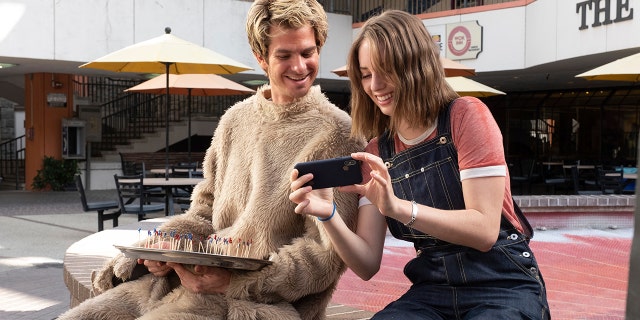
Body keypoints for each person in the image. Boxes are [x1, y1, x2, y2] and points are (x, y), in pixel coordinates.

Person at [58, 1, 365, 319]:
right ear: (261, 57)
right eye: (284, 55)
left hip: (259, 304)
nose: (300, 67)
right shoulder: (235, 120)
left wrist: (233, 282)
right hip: (180, 283)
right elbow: (204, 212)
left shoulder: (337, 134)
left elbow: (323, 256)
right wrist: (164, 250)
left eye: (307, 52)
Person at [289, 10, 550, 319]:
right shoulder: (377, 150)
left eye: (386, 70)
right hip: (432, 289)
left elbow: (484, 231)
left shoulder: (466, 116)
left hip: (503, 285)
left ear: (416, 65)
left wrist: (397, 207)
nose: (375, 85)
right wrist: (328, 216)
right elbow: (367, 265)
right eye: (366, 74)